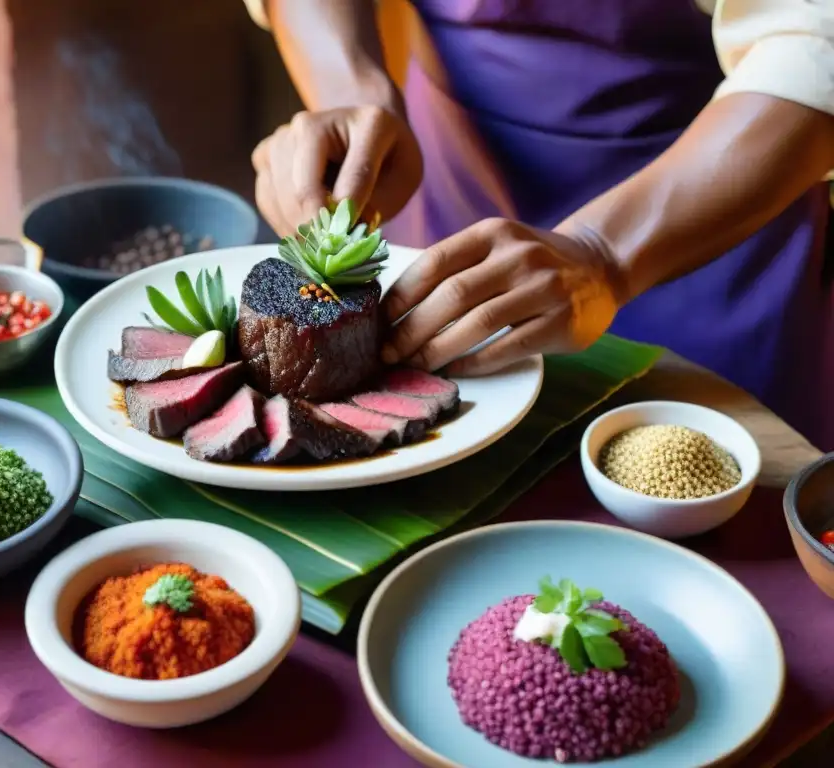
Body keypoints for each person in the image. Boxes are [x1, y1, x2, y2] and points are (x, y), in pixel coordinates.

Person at [243, 0, 834, 450]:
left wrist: (602, 252)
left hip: (705, 219)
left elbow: (815, 40)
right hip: (450, 189)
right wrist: (351, 91)